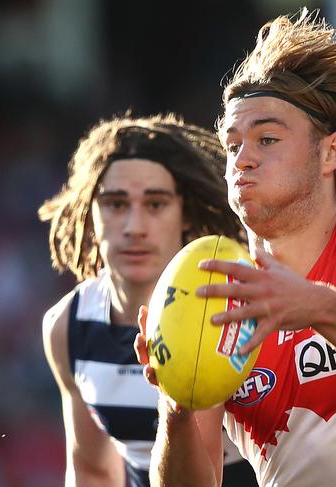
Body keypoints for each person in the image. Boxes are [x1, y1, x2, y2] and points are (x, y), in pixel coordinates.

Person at [134, 9, 336, 487]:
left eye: (267, 139)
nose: (242, 160)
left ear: (331, 152)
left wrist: (316, 305)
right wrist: (176, 408)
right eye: (231, 145)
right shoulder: (212, 289)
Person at [39, 114, 256, 487]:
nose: (134, 227)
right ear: (90, 215)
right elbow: (92, 471)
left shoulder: (231, 302)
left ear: (184, 214)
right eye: (116, 204)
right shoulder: (67, 325)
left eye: (155, 205)